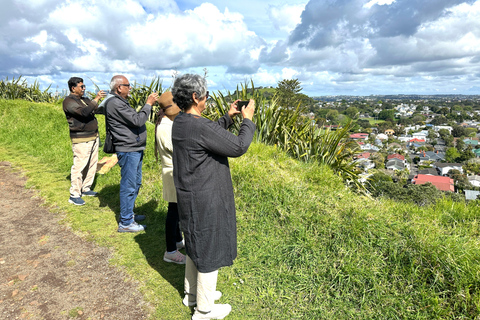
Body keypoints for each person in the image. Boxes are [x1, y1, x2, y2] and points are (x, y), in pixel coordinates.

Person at [171, 74, 256, 320]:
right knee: (210, 248)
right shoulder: (199, 126)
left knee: (195, 244)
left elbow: (207, 136)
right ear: (196, 97)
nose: (207, 97)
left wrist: (228, 117)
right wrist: (247, 120)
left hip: (190, 193)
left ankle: (192, 294)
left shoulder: (181, 121)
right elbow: (238, 147)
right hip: (207, 196)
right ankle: (204, 310)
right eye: (205, 94)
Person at [104, 75, 158, 233]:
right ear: (119, 87)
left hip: (134, 148)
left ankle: (128, 214)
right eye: (128, 85)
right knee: (129, 185)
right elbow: (137, 120)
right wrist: (148, 104)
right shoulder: (114, 103)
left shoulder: (120, 102)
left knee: (136, 182)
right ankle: (126, 222)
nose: (130, 88)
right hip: (128, 149)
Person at [63, 77, 106, 206]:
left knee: (92, 164)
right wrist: (97, 98)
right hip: (81, 138)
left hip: (93, 136)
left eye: (84, 86)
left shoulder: (84, 99)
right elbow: (84, 113)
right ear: (73, 88)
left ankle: (86, 188)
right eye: (81, 87)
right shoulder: (68, 101)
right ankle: (74, 194)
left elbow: (95, 110)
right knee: (80, 165)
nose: (84, 88)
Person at [154, 92, 186, 264]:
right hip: (173, 172)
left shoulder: (168, 123)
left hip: (173, 171)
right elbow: (177, 149)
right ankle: (170, 251)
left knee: (176, 210)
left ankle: (177, 241)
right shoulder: (166, 127)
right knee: (173, 212)